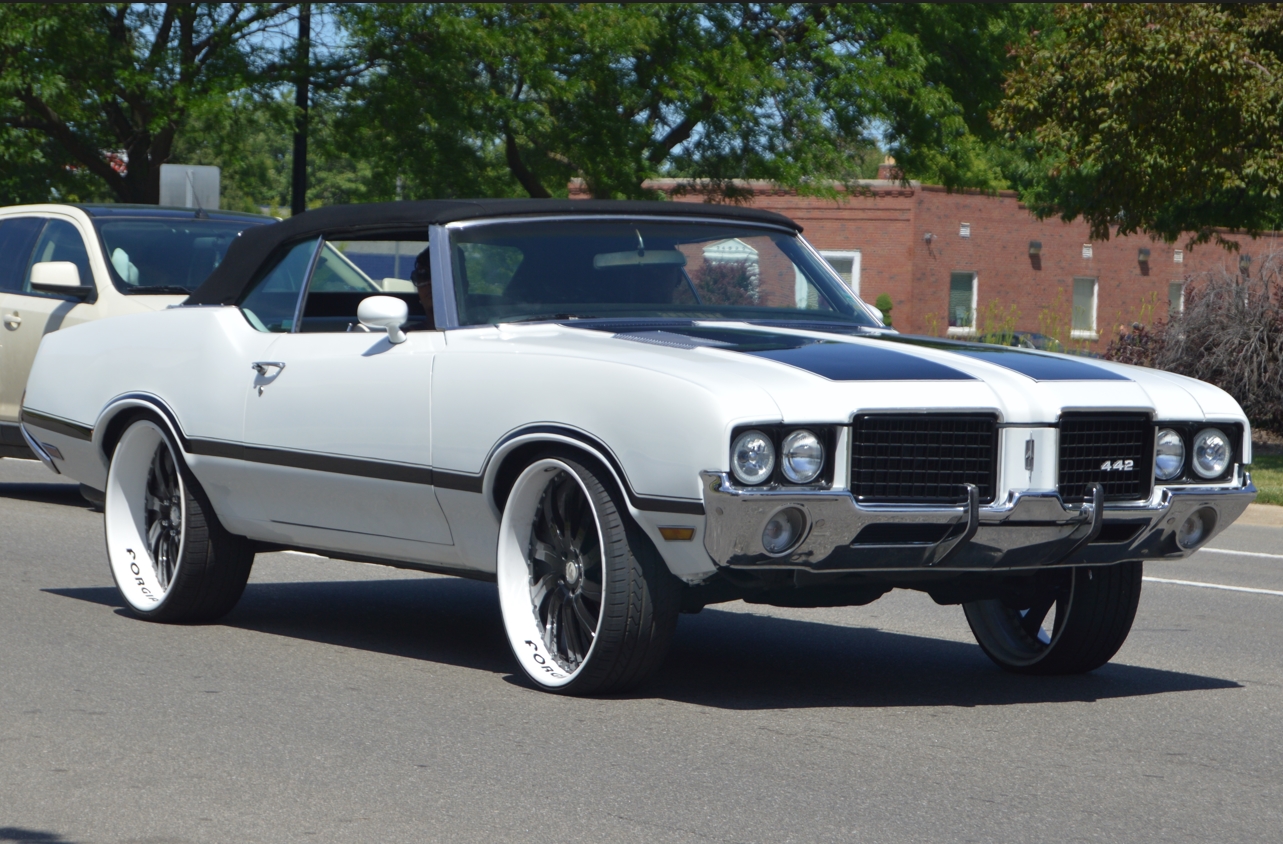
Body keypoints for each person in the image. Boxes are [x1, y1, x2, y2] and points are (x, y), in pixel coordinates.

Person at [411, 246, 434, 327]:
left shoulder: (474, 328)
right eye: (422, 276)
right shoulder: (405, 337)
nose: (430, 283)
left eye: (440, 276)